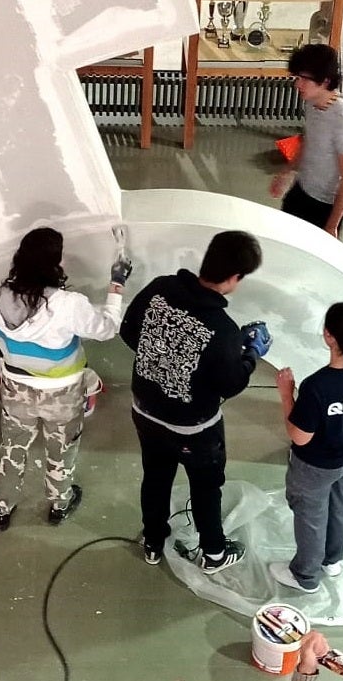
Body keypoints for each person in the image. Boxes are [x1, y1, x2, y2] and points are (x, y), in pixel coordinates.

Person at [120, 230, 272, 574]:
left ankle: (153, 543)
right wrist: (250, 355)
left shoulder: (159, 289)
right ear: (234, 279)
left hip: (145, 411)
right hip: (193, 430)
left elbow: (130, 331)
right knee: (205, 487)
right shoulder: (223, 330)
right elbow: (231, 384)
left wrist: (164, 361)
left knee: (155, 477)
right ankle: (214, 554)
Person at [0, 226, 131, 530]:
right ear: (55, 264)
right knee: (61, 450)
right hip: (62, 393)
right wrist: (116, 285)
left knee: (13, 448)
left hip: (16, 388)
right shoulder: (67, 304)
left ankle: (2, 509)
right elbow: (106, 329)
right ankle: (59, 505)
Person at [271, 301, 343, 593]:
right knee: (342, 505)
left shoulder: (317, 387)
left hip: (317, 466)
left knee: (312, 515)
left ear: (329, 336)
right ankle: (332, 561)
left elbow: (299, 437)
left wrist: (286, 394)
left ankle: (306, 576)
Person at [269, 44, 343, 238]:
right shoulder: (312, 103)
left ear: (325, 81)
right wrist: (286, 172)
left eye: (304, 79)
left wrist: (331, 225)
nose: (297, 85)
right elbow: (308, 141)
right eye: (297, 78)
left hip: (325, 204)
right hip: (302, 189)